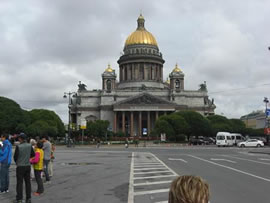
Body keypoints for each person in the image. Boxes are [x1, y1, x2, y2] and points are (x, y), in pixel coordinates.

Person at [14, 133, 35, 203]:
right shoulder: (30, 145)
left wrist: (18, 161)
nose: (18, 139)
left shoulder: (18, 146)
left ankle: (19, 199)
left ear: (21, 138)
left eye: (19, 138)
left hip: (20, 166)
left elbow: (15, 157)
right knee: (28, 182)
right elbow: (33, 154)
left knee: (19, 183)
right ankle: (28, 198)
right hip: (27, 166)